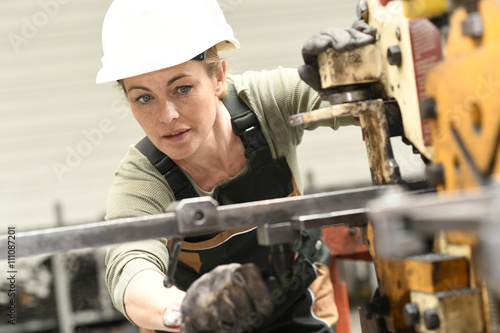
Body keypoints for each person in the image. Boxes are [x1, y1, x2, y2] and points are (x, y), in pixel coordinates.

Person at [96, 1, 376, 332]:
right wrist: (182, 311)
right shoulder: (143, 179)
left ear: (219, 77)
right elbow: (130, 268)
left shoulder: (265, 104)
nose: (167, 115)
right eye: (144, 98)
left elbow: (361, 102)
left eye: (182, 88)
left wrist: (357, 74)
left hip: (297, 304)